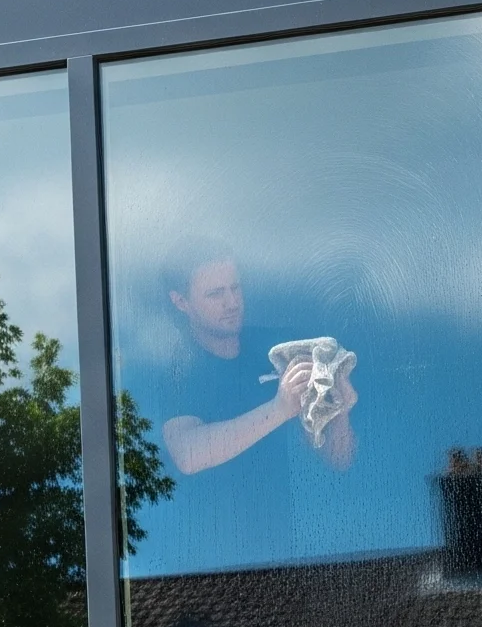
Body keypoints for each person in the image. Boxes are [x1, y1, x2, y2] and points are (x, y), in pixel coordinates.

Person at [129, 244, 358, 576]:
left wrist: (340, 411)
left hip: (282, 560)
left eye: (235, 288)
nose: (232, 302)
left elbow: (339, 459)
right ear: (181, 302)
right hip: (202, 569)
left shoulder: (279, 351)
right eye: (215, 293)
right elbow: (187, 454)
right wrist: (279, 409)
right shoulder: (177, 369)